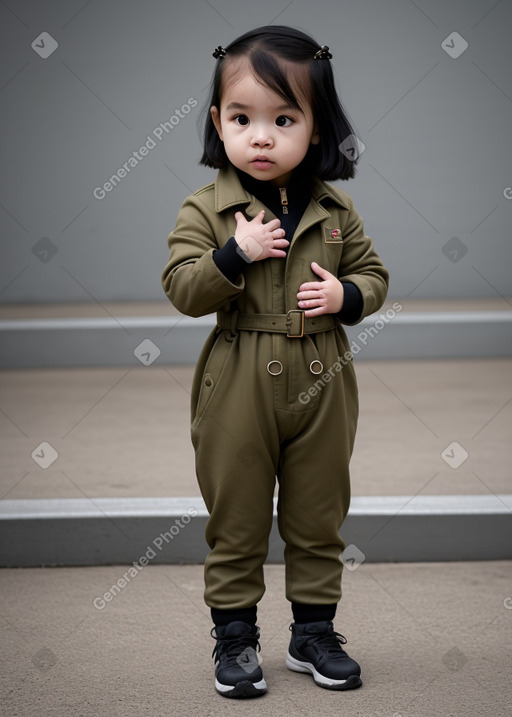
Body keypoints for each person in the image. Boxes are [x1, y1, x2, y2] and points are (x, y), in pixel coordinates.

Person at [162, 25, 389, 699]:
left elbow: (374, 275)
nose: (261, 136)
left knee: (319, 512)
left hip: (322, 373)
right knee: (237, 514)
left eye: (283, 118)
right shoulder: (207, 209)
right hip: (238, 374)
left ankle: (313, 631)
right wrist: (235, 255)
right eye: (242, 118)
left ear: (317, 129)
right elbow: (181, 285)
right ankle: (235, 638)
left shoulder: (335, 208)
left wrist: (347, 295)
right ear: (217, 123)